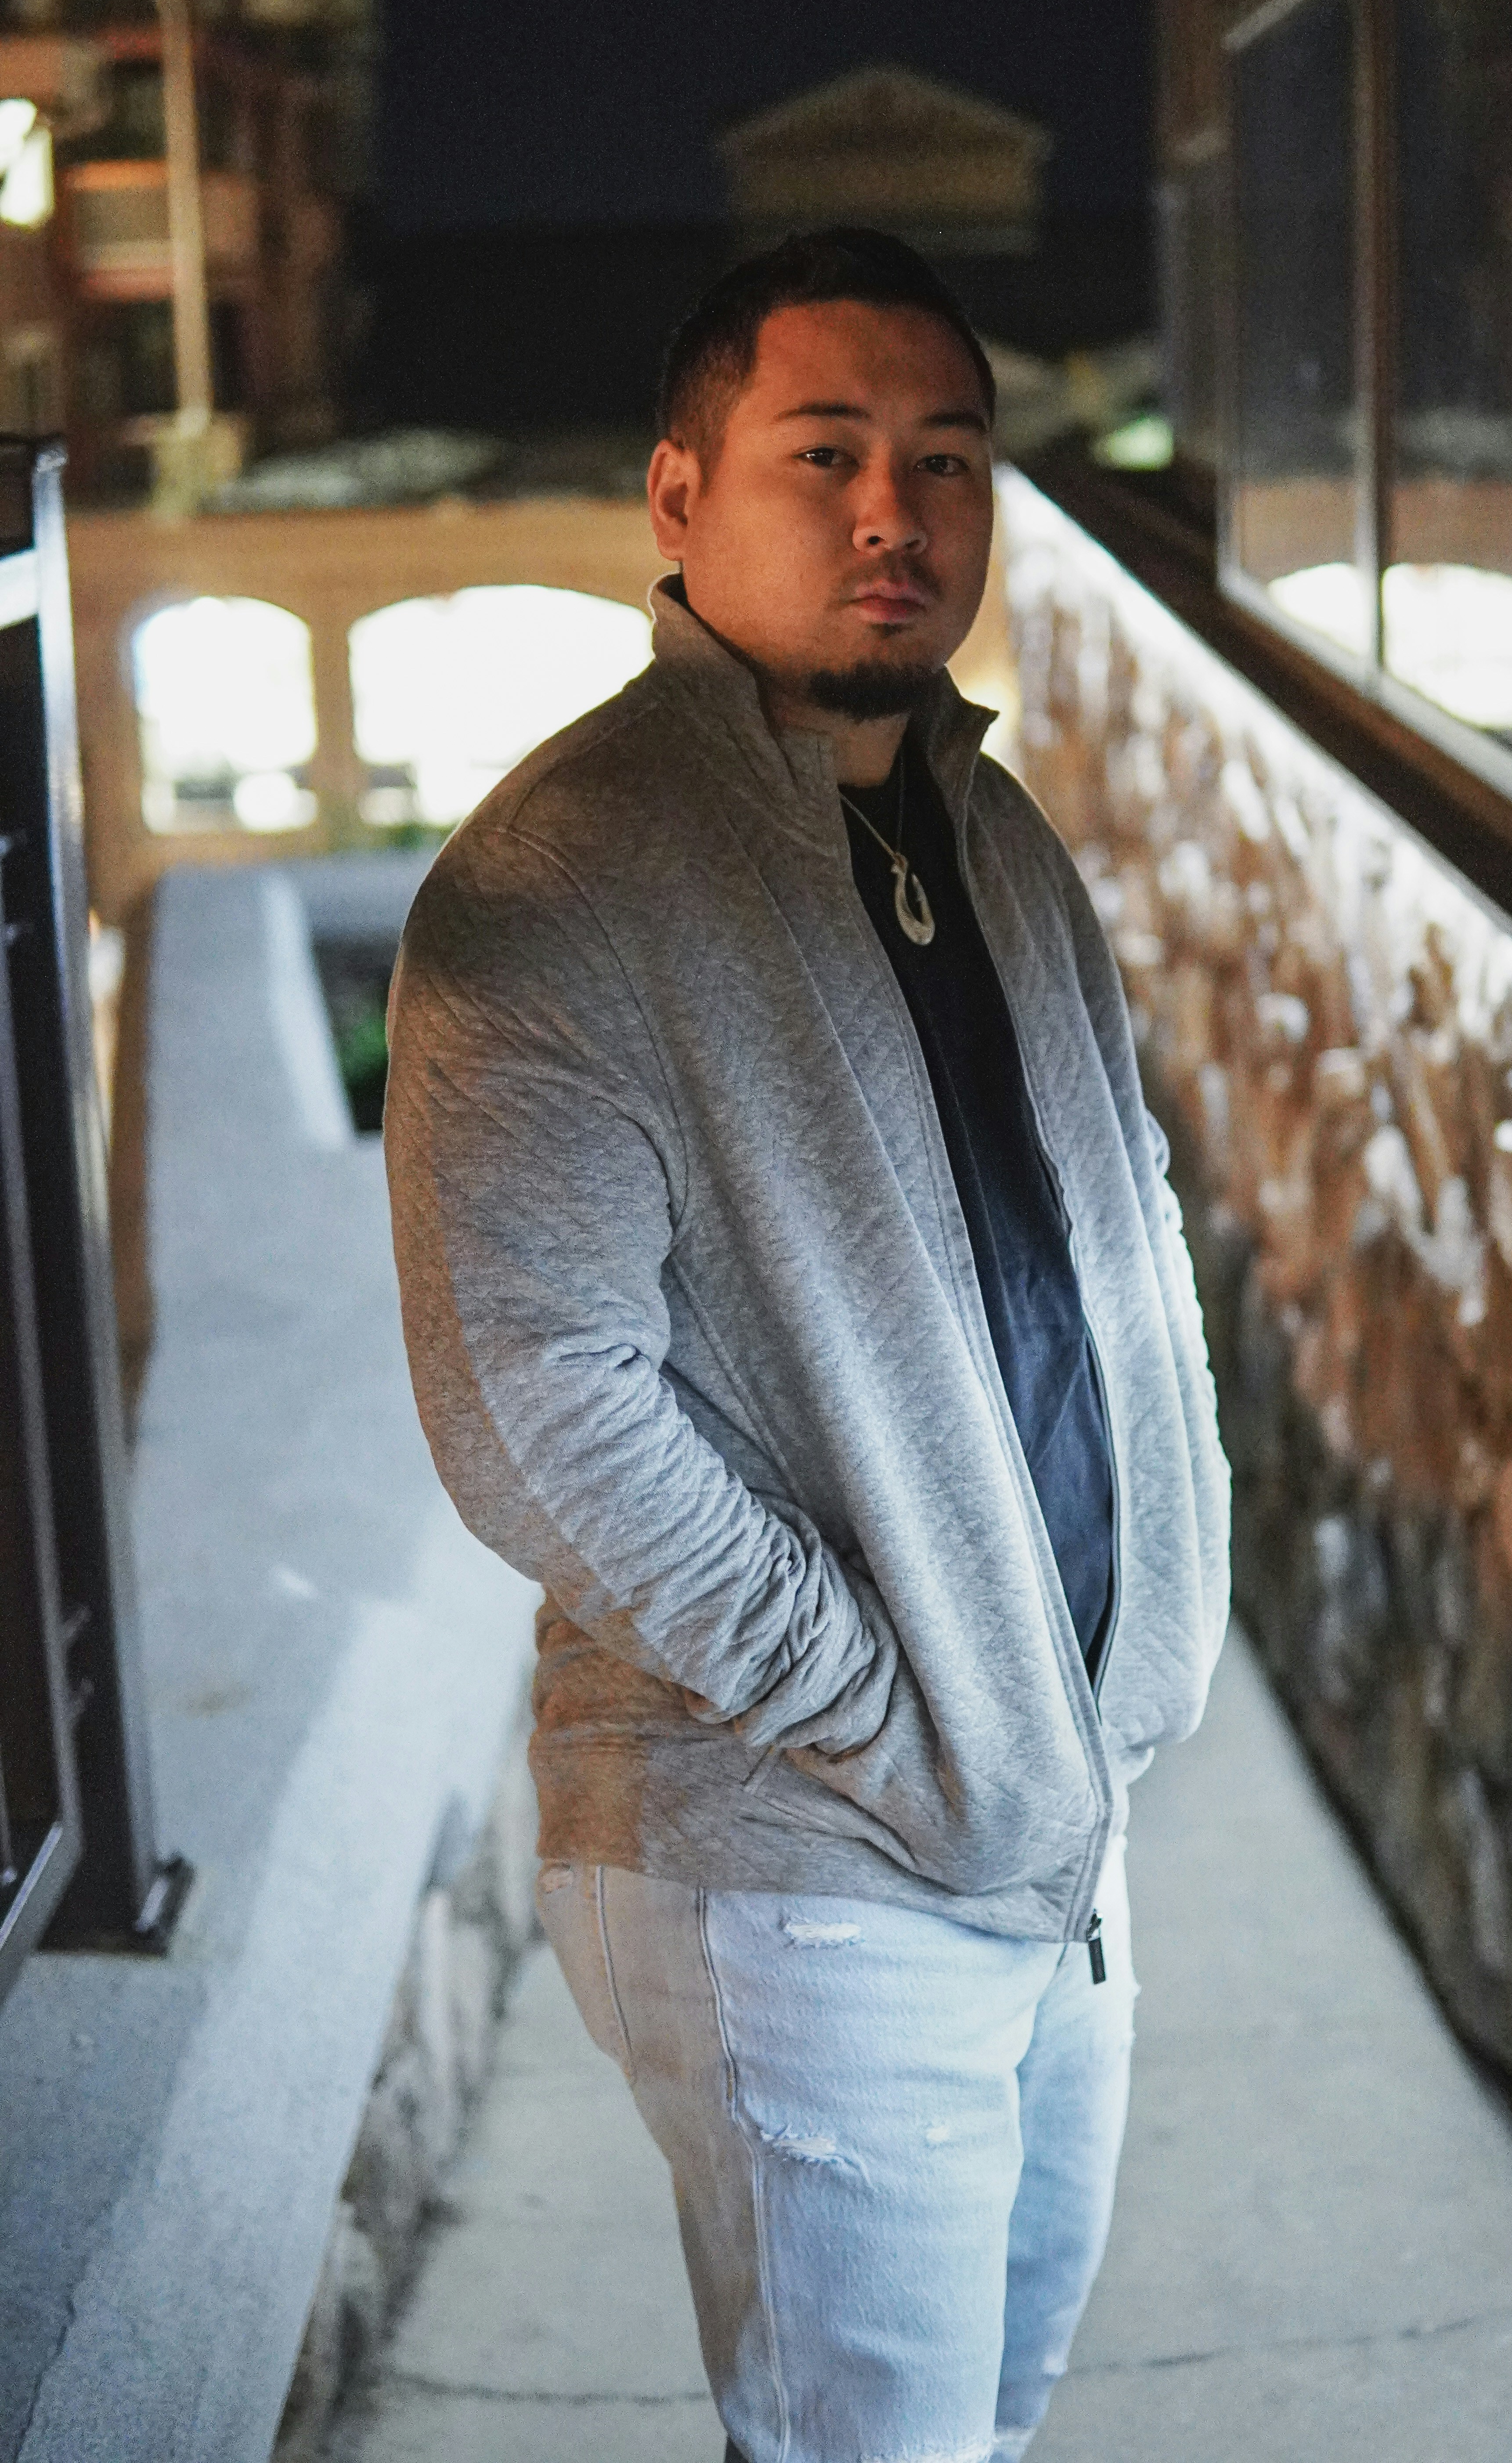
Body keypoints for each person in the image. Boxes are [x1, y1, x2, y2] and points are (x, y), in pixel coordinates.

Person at [383, 227, 1231, 2463]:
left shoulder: (988, 829)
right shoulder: (562, 883)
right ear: (678, 494)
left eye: (944, 458)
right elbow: (535, 1412)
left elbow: (1126, 1228)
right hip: (798, 1856)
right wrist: (884, 1713)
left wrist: (1133, 1649)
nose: (894, 513)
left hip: (1049, 1810)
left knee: (989, 2416)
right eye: (825, 452)